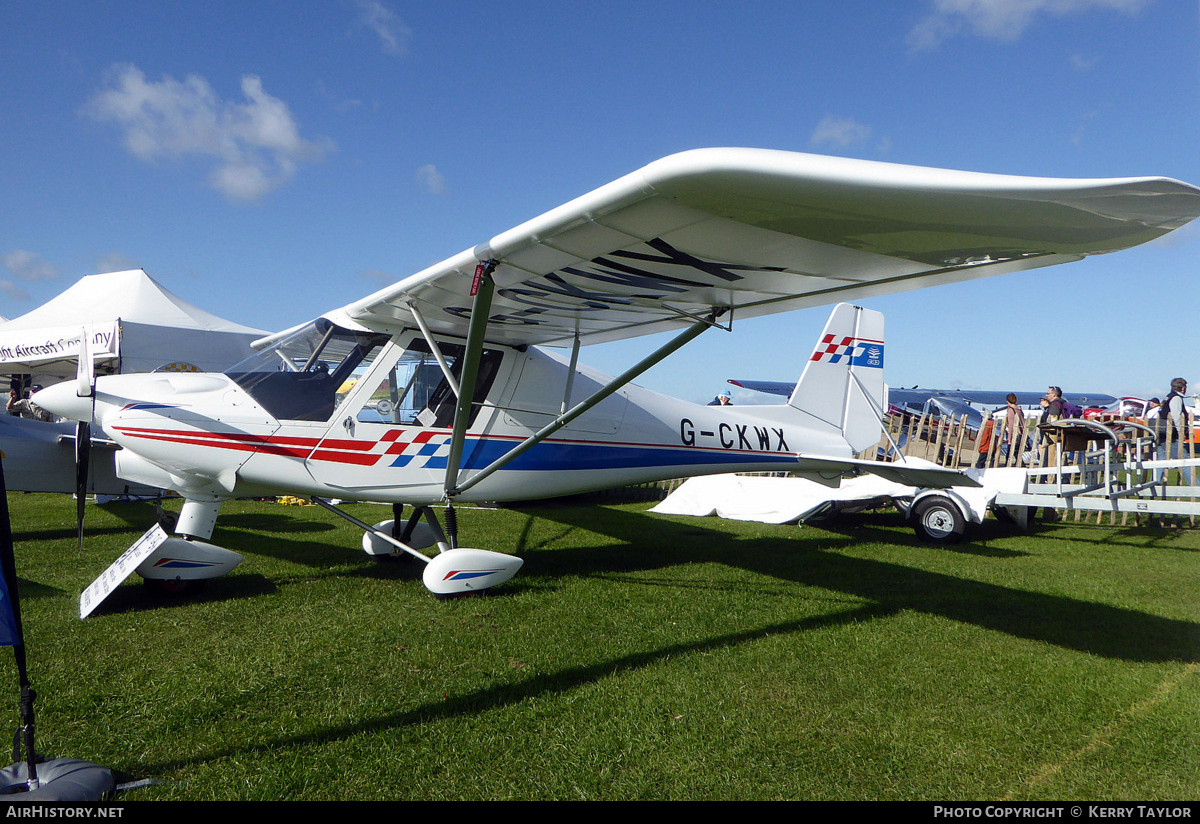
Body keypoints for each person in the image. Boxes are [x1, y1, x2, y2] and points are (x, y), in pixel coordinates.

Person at [1156, 378, 1191, 485]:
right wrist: (1181, 432)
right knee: (1185, 461)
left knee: (1161, 460)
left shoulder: (1167, 397)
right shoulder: (1176, 398)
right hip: (1171, 435)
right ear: (1183, 388)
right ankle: (1196, 486)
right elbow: (1176, 416)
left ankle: (1155, 483)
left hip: (1162, 433)